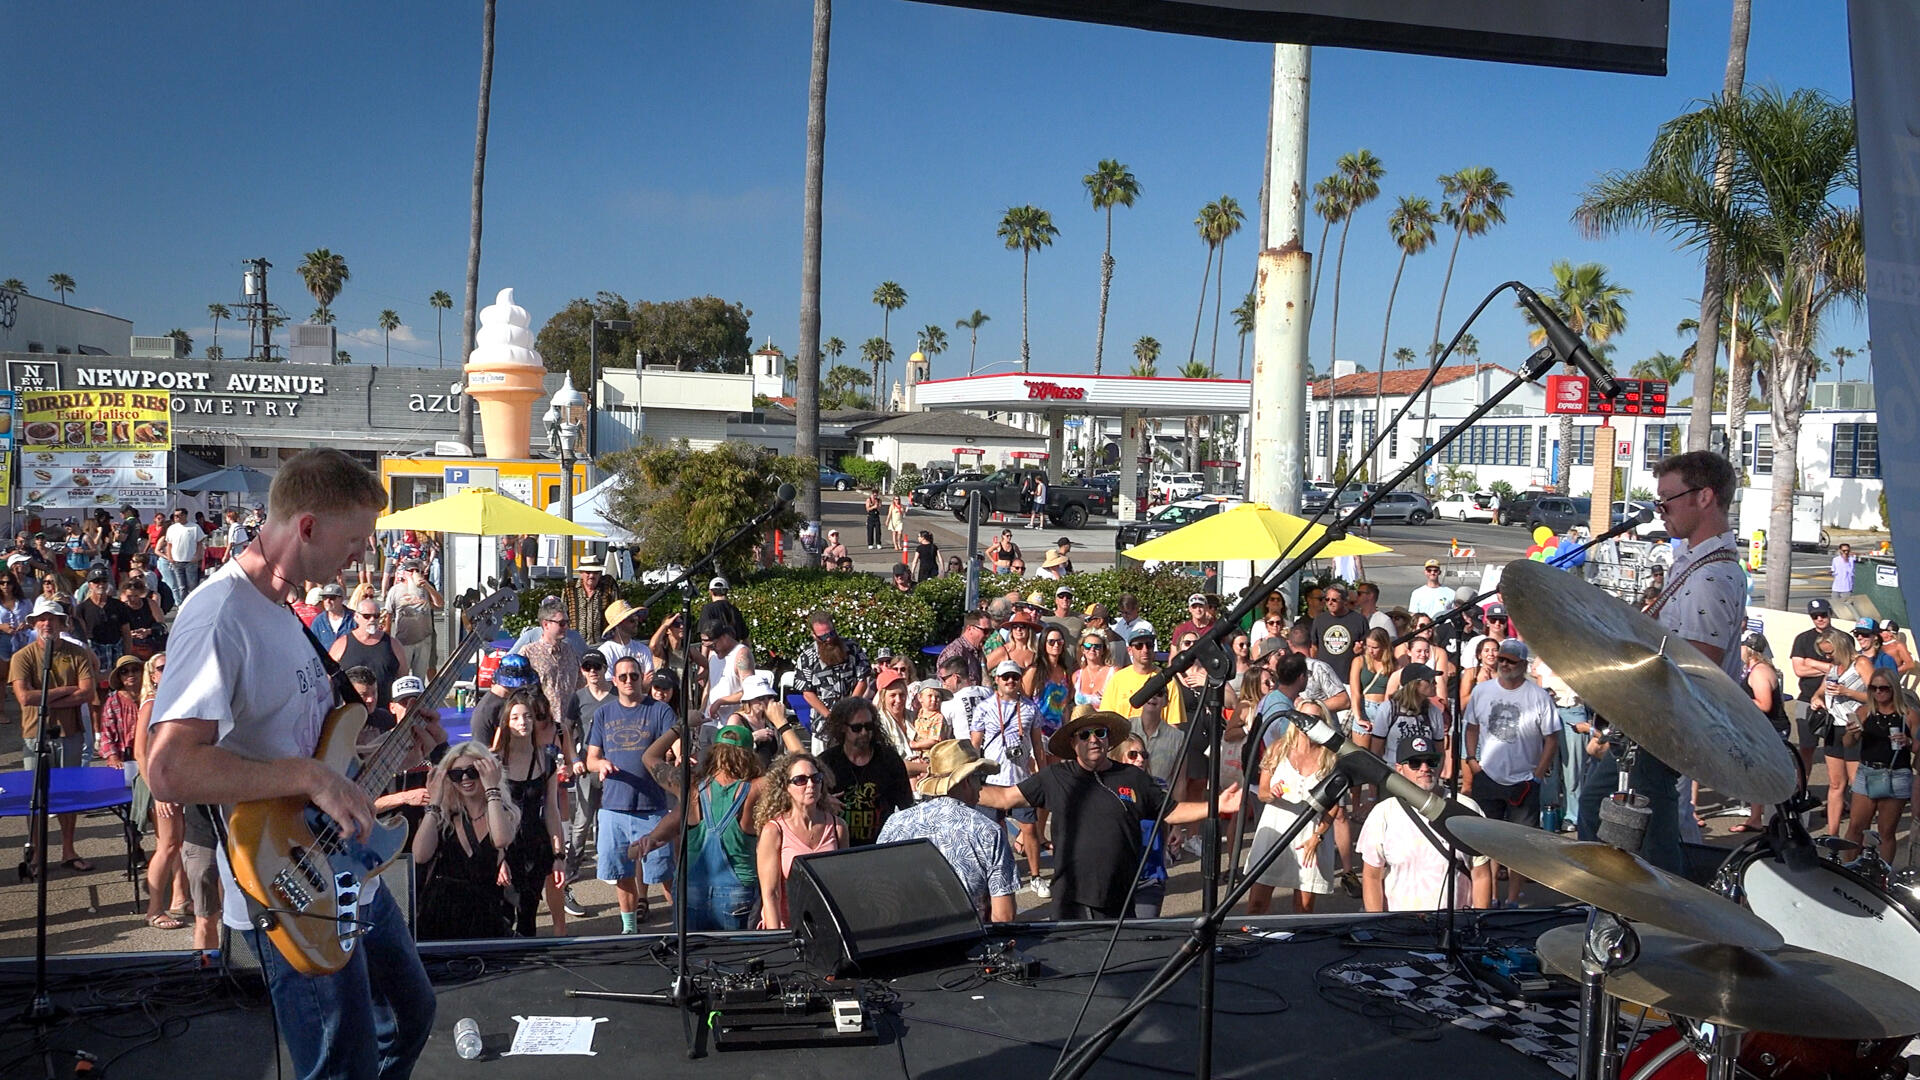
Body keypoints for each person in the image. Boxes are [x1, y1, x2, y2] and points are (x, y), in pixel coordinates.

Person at [145, 448, 436, 1078]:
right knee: (341, 1065)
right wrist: (308, 777)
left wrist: (380, 753)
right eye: (355, 540)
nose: (362, 558)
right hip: (285, 883)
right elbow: (167, 768)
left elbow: (301, 748)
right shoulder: (220, 616)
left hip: (343, 861)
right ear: (306, 528)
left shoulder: (282, 607)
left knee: (412, 1012)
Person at [978, 706, 1243, 919]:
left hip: (1120, 898)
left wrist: (1216, 806)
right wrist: (954, 787)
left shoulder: (1133, 777)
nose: (1093, 739)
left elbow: (1171, 812)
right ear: (1073, 743)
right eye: (1084, 734)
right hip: (1070, 900)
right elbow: (1004, 797)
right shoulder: (1054, 777)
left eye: (1100, 733)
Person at [635, 722, 788, 930]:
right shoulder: (758, 788)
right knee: (735, 958)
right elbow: (799, 769)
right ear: (749, 755)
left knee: (689, 957)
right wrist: (783, 725)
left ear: (713, 753)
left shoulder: (690, 786)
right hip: (738, 890)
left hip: (691, 888)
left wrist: (681, 727)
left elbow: (649, 757)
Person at [877, 739, 1019, 923]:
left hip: (905, 941)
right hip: (967, 945)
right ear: (967, 780)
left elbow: (879, 893)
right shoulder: (988, 832)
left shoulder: (895, 823)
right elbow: (1004, 916)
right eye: (979, 778)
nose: (981, 786)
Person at [586, 654, 680, 933]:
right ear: (614, 681)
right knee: (621, 872)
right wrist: (600, 764)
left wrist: (683, 758)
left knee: (664, 873)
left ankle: (680, 927)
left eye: (634, 676)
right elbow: (591, 758)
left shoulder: (660, 711)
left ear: (642, 679)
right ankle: (630, 929)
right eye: (623, 677)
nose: (629, 681)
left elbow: (676, 746)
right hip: (614, 806)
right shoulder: (603, 713)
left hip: (652, 807)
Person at [1461, 638, 1558, 906]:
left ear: (1523, 665)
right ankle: (1489, 896)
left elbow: (1552, 737)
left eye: (1510, 661)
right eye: (1501, 659)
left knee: (1519, 844)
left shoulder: (1537, 696)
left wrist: (1537, 775)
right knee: (1488, 842)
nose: (1503, 664)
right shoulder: (1482, 691)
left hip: (1524, 781)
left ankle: (1513, 898)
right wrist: (1472, 760)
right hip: (1488, 776)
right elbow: (1471, 726)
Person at [12, 595, 101, 873]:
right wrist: (64, 692)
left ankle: (68, 849)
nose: (46, 623)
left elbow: (87, 692)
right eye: (41, 619)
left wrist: (46, 698)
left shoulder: (78, 653)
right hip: (34, 732)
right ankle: (36, 854)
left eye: (51, 618)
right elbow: (24, 698)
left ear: (62, 623)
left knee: (69, 794)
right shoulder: (22, 656)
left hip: (70, 730)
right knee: (35, 795)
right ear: (34, 623)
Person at [1358, 730, 1494, 912]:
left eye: (1431, 761)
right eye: (1415, 763)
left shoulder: (1466, 808)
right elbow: (1372, 876)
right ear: (1399, 769)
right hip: (1401, 927)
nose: (1424, 768)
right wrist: (1376, 924)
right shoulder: (1383, 813)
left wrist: (1478, 922)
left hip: (1456, 925)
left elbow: (1481, 873)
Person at [411, 741, 518, 942]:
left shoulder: (502, 814)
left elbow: (501, 840)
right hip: (440, 916)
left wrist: (492, 788)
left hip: (485, 917)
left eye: (473, 771)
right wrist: (434, 802)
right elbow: (420, 855)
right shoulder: (444, 817)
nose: (465, 778)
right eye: (456, 774)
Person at [1244, 701, 1340, 915]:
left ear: (1323, 723)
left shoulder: (1330, 757)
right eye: (1302, 717)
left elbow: (1333, 807)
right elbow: (1262, 793)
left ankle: (1295, 947)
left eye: (1315, 718)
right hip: (1275, 831)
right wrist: (1272, 792)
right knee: (1256, 905)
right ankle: (1250, 942)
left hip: (1310, 835)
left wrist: (1318, 837)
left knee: (1303, 908)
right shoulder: (1278, 748)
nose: (1306, 723)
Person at [491, 689, 568, 937]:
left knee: (528, 914)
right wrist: (498, 857)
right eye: (515, 718)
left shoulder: (546, 760)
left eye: (527, 716)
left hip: (534, 846)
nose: (522, 722)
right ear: (506, 722)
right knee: (502, 915)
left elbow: (552, 812)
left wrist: (559, 855)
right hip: (503, 845)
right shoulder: (495, 761)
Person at [754, 752, 848, 929]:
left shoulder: (838, 827)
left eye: (816, 778)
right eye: (800, 780)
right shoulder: (774, 831)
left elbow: (842, 886)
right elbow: (771, 894)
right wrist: (778, 941)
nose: (810, 785)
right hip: (789, 930)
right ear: (786, 787)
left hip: (827, 928)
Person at [976, 658, 1045, 894]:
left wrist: (1043, 776)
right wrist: (973, 775)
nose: (1010, 681)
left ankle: (1036, 876)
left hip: (1020, 779)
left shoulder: (1029, 708)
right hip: (993, 780)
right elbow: (975, 746)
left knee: (1029, 829)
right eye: (1005, 677)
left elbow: (1037, 745)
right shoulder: (983, 707)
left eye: (1015, 677)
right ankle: (1002, 872)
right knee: (995, 830)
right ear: (997, 680)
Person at [819, 696, 914, 846]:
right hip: (839, 846)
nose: (864, 732)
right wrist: (822, 801)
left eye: (869, 726)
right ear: (843, 727)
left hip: (881, 847)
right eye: (857, 728)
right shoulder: (827, 762)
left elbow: (906, 808)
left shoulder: (889, 760)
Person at [1844, 670, 1915, 862]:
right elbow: (1848, 743)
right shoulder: (1864, 711)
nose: (1878, 692)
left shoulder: (1908, 715)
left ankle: (1883, 878)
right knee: (1856, 827)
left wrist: (1908, 741)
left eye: (1883, 688)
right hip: (1867, 771)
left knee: (1886, 832)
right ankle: (1848, 870)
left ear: (1893, 689)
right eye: (1873, 688)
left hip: (1896, 774)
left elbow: (1918, 746)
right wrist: (1851, 732)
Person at [1733, 633, 1791, 833]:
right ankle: (1755, 818)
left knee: (1765, 775)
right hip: (1761, 729)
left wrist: (1736, 699)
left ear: (1748, 649)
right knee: (1755, 774)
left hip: (1772, 730)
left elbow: (1765, 704)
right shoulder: (1752, 668)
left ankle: (1776, 821)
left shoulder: (1759, 672)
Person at [1817, 629, 1869, 835]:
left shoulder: (1861, 663)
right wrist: (1817, 699)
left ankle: (1857, 831)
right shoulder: (1833, 667)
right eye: (1825, 653)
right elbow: (1820, 691)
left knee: (1855, 782)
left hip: (1854, 725)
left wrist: (1848, 692)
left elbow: (1878, 695)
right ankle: (1833, 833)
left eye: (1830, 652)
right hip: (1834, 726)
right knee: (1836, 783)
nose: (1828, 657)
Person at [330, 593, 407, 713]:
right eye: (366, 616)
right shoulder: (341, 644)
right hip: (351, 714)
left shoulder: (393, 644)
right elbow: (328, 680)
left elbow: (403, 678)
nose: (372, 620)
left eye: (376, 616)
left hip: (385, 714)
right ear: (356, 617)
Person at [791, 609, 869, 722]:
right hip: (823, 722)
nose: (829, 639)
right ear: (814, 635)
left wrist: (850, 708)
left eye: (831, 633)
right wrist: (830, 717)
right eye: (823, 637)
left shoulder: (852, 648)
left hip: (853, 716)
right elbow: (807, 692)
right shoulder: (807, 657)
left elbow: (863, 679)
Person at [1102, 623, 1186, 726]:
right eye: (1139, 646)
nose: (1145, 650)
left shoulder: (1167, 680)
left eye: (1149, 645)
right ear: (1130, 650)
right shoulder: (1118, 679)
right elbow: (1107, 717)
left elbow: (1174, 724)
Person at [1790, 598, 1839, 775]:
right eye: (1815, 616)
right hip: (1806, 700)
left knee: (1834, 751)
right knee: (1806, 748)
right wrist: (1828, 668)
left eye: (1823, 614)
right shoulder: (1802, 639)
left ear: (1830, 613)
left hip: (1837, 701)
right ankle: (1801, 790)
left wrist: (1812, 663)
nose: (1819, 619)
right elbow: (1799, 670)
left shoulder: (1844, 638)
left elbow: (1843, 669)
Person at [382, 557, 441, 679]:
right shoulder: (395, 590)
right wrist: (387, 638)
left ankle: (419, 697)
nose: (414, 573)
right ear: (404, 573)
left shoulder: (426, 588)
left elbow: (440, 604)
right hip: (404, 640)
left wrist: (428, 587)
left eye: (416, 570)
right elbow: (388, 613)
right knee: (402, 675)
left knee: (419, 676)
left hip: (424, 639)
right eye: (410, 571)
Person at [1310, 583, 1370, 685]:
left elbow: (1368, 647)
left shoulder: (1359, 620)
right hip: (1324, 679)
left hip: (1348, 679)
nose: (1329, 603)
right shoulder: (1320, 620)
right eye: (1327, 599)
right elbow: (1314, 648)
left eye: (1334, 600)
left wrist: (1360, 650)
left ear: (1344, 601)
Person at [700, 614, 756, 722]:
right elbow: (710, 686)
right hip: (710, 720)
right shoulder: (713, 655)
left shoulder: (741, 654)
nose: (712, 649)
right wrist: (702, 711)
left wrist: (720, 701)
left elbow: (750, 691)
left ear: (724, 637)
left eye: (713, 645)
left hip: (732, 721)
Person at [1349, 628, 1395, 755]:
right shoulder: (1359, 661)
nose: (1370, 651)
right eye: (1368, 646)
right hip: (1365, 707)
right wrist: (1358, 717)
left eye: (1375, 647)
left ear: (1384, 646)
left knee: (1380, 758)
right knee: (1361, 756)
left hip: (1384, 710)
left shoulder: (1393, 664)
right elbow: (1355, 692)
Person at [561, 557, 618, 643]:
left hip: (603, 643)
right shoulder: (569, 590)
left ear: (600, 574)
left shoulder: (608, 588)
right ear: (581, 573)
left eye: (595, 572)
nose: (591, 576)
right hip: (574, 644)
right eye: (588, 572)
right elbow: (562, 616)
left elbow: (618, 613)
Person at [156, 508, 205, 602]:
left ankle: (193, 604)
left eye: (178, 515)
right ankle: (182, 605)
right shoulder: (172, 528)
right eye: (175, 516)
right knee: (181, 586)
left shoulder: (194, 527)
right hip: (176, 561)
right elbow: (169, 544)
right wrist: (170, 557)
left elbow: (200, 543)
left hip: (190, 560)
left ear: (185, 516)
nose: (176, 517)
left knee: (192, 585)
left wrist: (197, 556)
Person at [938, 608, 991, 687]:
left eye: (991, 631)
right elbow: (948, 688)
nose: (988, 635)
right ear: (970, 629)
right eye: (985, 631)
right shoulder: (954, 652)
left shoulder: (978, 652)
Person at [698, 576, 751, 646]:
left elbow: (706, 638)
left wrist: (704, 656)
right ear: (726, 591)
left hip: (716, 653)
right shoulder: (735, 610)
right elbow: (745, 638)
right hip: (734, 651)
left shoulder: (708, 609)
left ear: (710, 592)